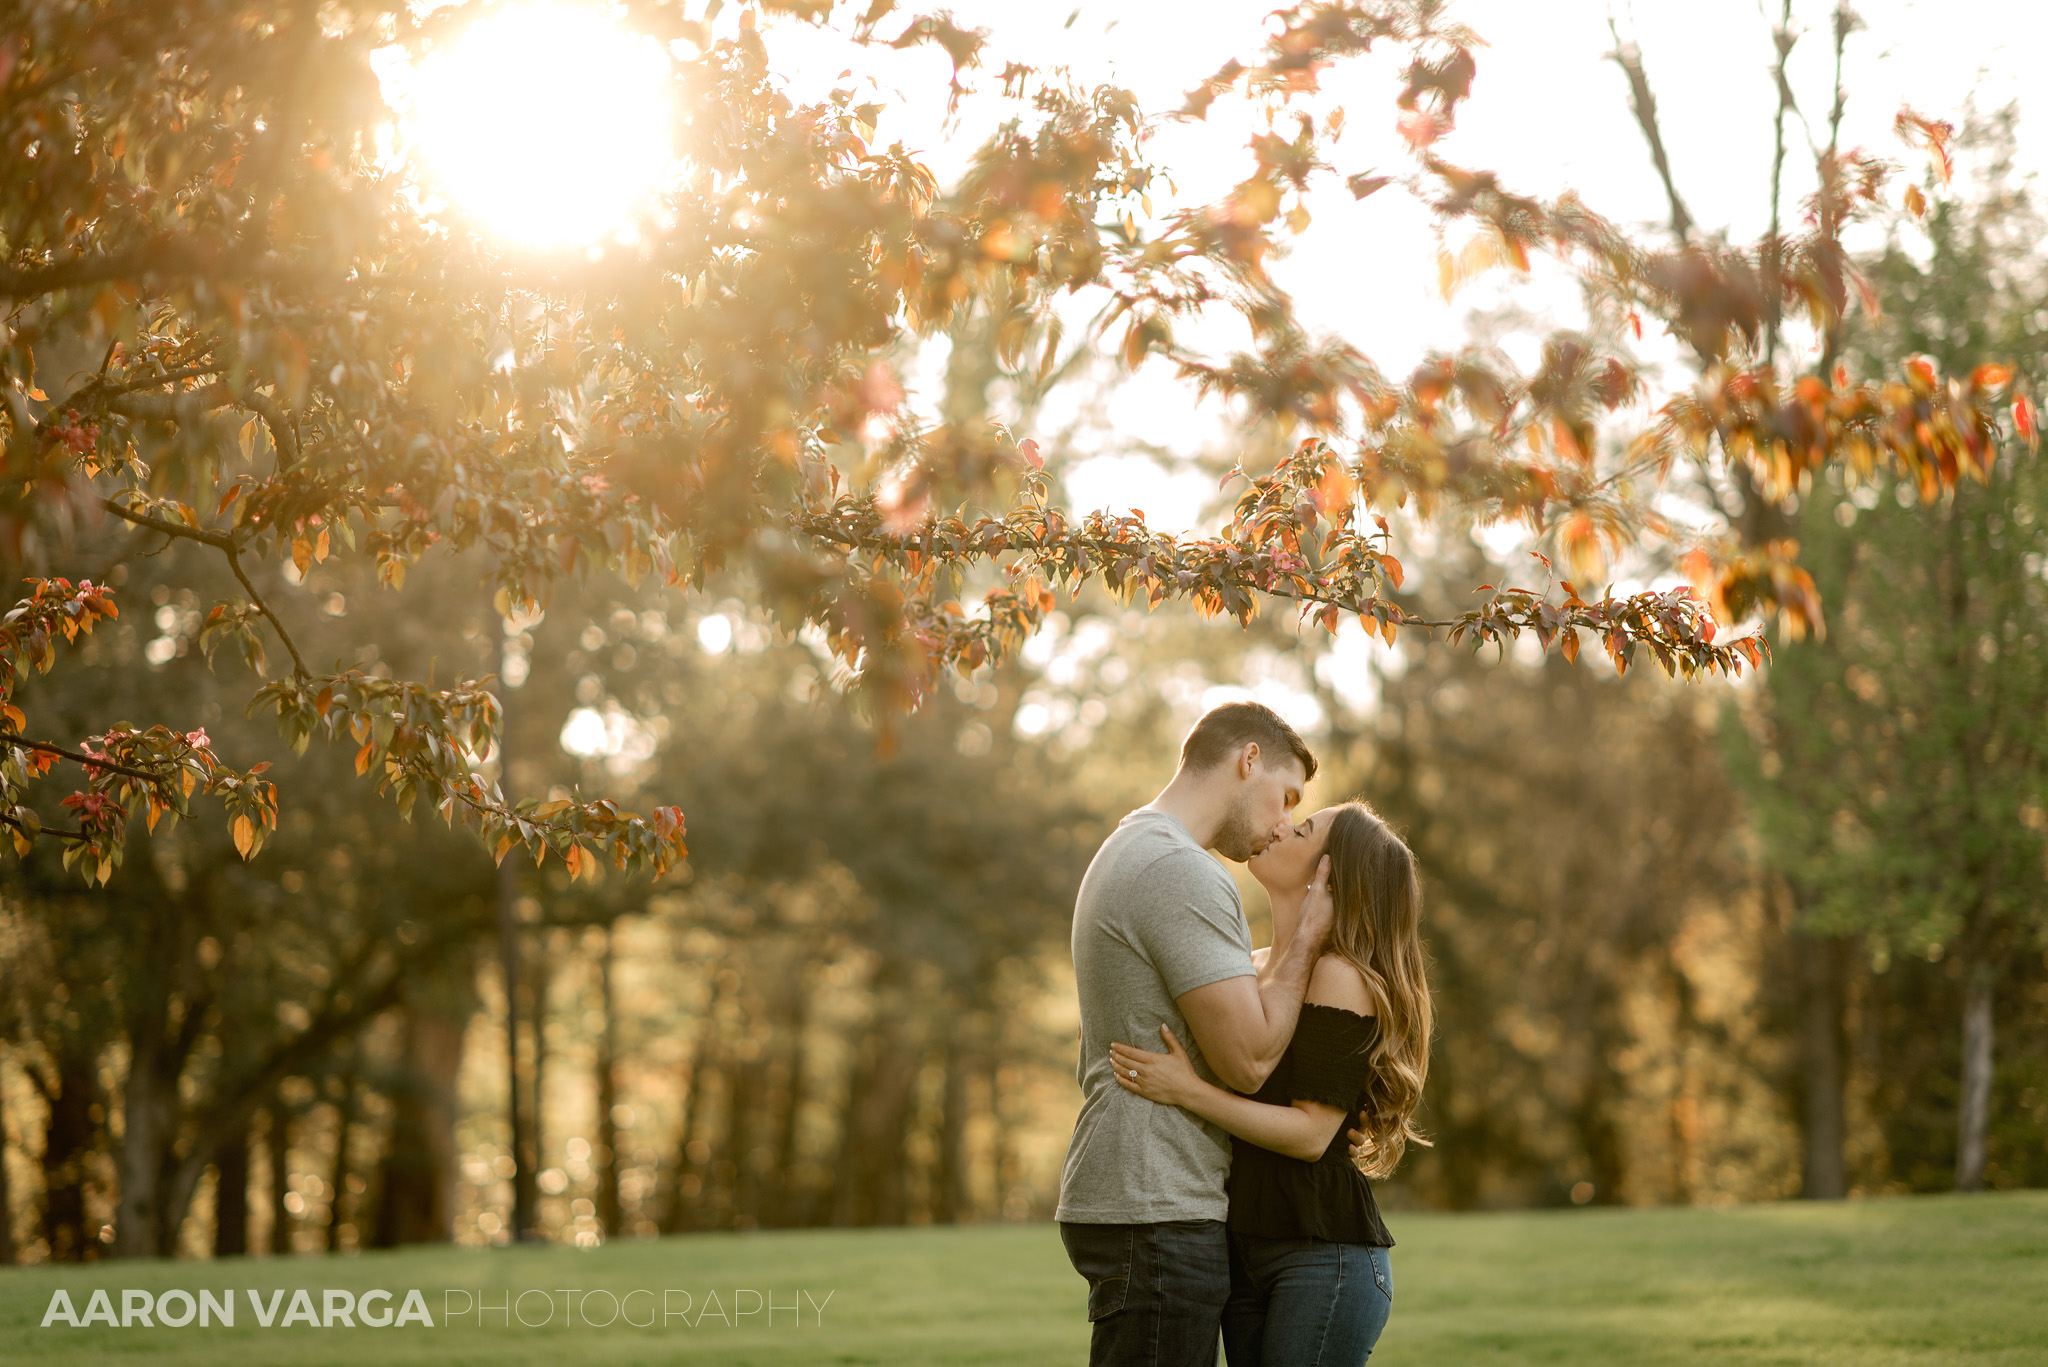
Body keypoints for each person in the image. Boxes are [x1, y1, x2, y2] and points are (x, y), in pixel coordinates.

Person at [1057, 701, 1367, 1367]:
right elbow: (1250, 1060)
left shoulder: (1130, 846)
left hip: (1134, 1193)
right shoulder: (1182, 871)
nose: (1283, 824)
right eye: (1286, 797)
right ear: (1247, 758)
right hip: (1157, 1202)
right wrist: (1309, 938)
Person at [1109, 801, 1432, 1366]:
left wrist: (1188, 1091)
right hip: (1243, 1251)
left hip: (1321, 1257)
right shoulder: (1250, 967)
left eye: (1302, 829)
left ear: (1329, 873)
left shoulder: (1338, 976)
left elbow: (1311, 1136)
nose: (1280, 827)